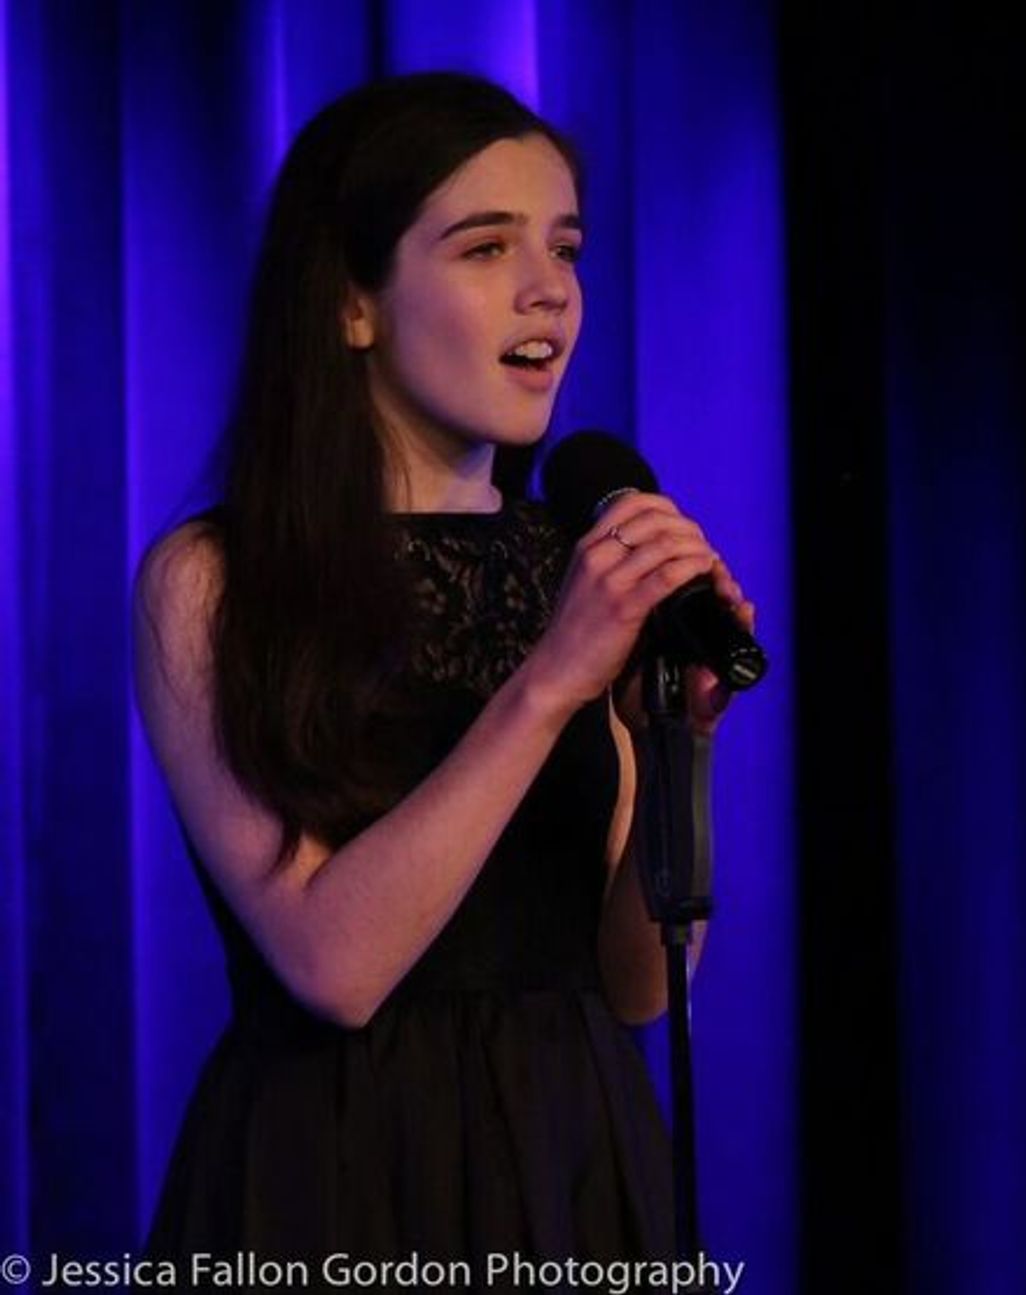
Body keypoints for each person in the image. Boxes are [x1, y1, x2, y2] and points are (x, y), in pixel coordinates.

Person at [133, 71, 753, 1279]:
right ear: (352, 303)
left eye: (563, 248)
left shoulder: (570, 564)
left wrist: (681, 738)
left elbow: (641, 986)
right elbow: (333, 965)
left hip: (572, 1162)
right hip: (337, 1166)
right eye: (484, 247)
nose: (548, 289)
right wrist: (548, 682)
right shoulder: (213, 581)